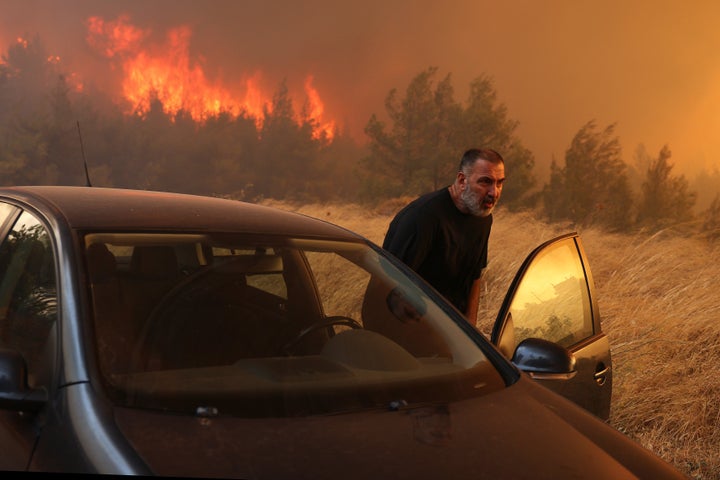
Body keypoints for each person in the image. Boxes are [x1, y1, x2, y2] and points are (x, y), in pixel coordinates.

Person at [382, 148, 505, 325]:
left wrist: (471, 333)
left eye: (499, 183)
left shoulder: (483, 217)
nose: (494, 192)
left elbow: (474, 277)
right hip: (412, 331)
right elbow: (388, 284)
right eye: (485, 182)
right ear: (462, 180)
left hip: (454, 333)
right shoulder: (423, 217)